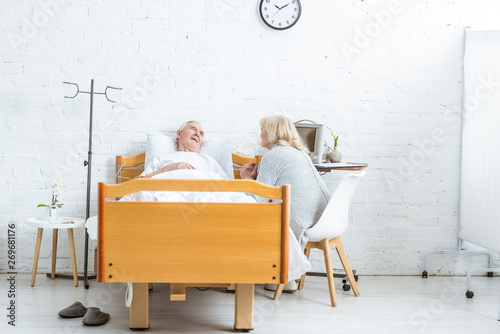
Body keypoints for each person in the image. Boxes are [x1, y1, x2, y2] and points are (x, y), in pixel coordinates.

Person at [240, 115, 331, 291]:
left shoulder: (273, 156)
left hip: (301, 219)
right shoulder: (298, 152)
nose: (259, 134)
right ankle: (287, 280)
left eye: (262, 130)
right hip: (323, 216)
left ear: (270, 133)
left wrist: (245, 180)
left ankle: (275, 275)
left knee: (255, 220)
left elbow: (257, 201)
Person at [140, 121, 227, 179]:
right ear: (179, 133)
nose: (197, 134)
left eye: (201, 134)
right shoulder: (161, 159)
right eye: (193, 129)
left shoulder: (209, 161)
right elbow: (139, 183)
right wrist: (168, 168)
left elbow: (227, 186)